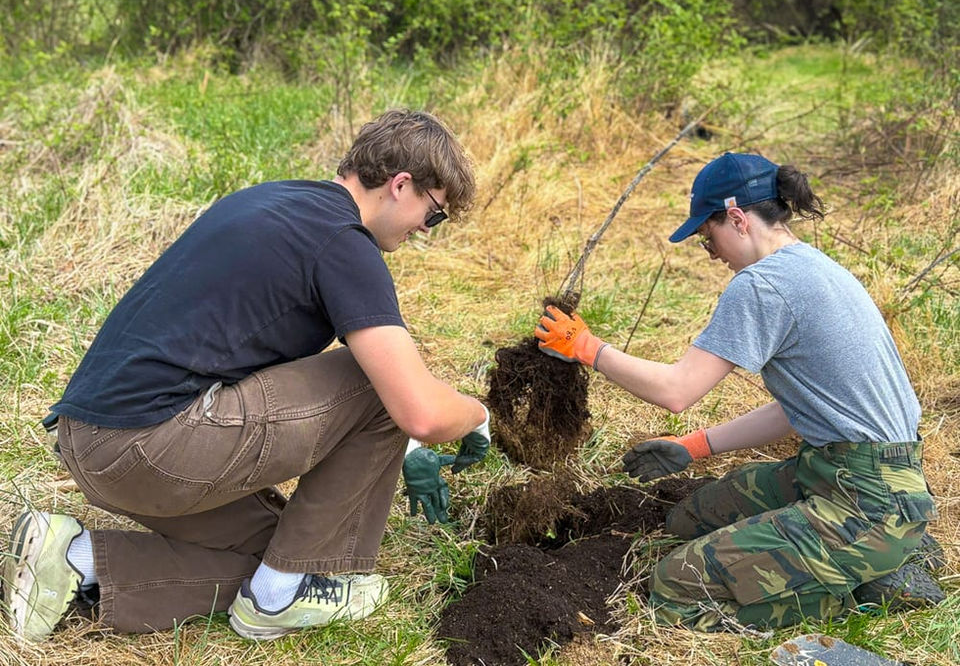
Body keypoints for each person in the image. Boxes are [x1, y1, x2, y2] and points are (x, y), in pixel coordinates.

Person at [3, 109, 491, 642]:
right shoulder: (343, 243)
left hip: (92, 441)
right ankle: (286, 594)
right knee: (375, 386)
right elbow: (415, 407)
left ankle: (74, 560)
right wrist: (476, 416)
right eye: (434, 213)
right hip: (147, 448)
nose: (426, 228)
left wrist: (402, 447)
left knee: (277, 551)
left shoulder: (273, 200)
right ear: (401, 185)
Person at [534, 152, 942, 631]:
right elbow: (800, 413)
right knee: (688, 520)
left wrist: (587, 347)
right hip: (840, 472)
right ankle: (871, 553)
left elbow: (675, 390)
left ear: (737, 218)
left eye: (708, 238)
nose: (711, 252)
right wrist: (694, 446)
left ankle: (865, 589)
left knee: (675, 587)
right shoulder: (813, 267)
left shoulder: (763, 286)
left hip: (868, 499)